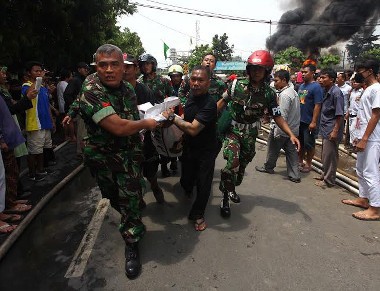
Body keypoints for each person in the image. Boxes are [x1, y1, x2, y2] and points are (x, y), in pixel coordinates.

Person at [74, 44, 157, 278]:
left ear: (125, 68)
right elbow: (118, 127)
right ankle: (129, 210)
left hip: (128, 155)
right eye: (103, 65)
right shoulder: (91, 90)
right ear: (96, 67)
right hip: (102, 156)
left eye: (114, 65)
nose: (109, 70)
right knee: (111, 196)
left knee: (129, 198)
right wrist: (147, 124)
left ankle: (132, 241)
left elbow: (130, 120)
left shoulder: (129, 90)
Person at [217, 50, 300, 218]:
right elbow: (221, 102)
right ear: (248, 69)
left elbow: (277, 116)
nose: (256, 72)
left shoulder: (269, 94)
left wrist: (291, 134)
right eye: (253, 68)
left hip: (250, 133)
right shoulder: (235, 85)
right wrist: (207, 120)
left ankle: (232, 187)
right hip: (233, 131)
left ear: (266, 71)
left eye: (260, 69)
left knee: (242, 166)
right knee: (231, 163)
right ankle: (225, 196)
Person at [162, 65, 217, 231]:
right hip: (189, 147)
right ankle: (187, 189)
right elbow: (188, 117)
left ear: (208, 83)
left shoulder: (210, 103)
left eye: (200, 80)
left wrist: (172, 117)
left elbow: (193, 129)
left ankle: (198, 213)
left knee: (203, 183)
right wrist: (177, 124)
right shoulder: (192, 97)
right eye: (193, 79)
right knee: (186, 178)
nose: (196, 83)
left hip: (206, 150)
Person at [123, 53, 165, 204]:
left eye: (128, 67)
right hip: (126, 138)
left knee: (151, 169)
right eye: (122, 66)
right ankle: (138, 197)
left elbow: (154, 112)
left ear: (135, 69)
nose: (125, 70)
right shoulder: (114, 90)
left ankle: (154, 186)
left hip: (146, 137)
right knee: (133, 174)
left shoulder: (145, 90)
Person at [341, 58, 380, 221]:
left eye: (361, 70)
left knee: (371, 172)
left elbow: (376, 115)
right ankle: (363, 199)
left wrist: (364, 138)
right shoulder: (368, 89)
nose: (358, 74)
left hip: (372, 138)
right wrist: (358, 137)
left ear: (370, 71)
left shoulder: (377, 89)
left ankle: (376, 208)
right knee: (361, 169)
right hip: (363, 137)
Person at [255, 69, 301, 183]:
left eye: (276, 80)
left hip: (282, 130)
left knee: (272, 149)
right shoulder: (293, 92)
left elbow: (282, 116)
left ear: (284, 80)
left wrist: (277, 130)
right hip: (292, 129)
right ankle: (294, 174)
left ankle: (268, 167)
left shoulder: (284, 95)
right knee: (292, 153)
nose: (274, 83)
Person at [179, 53, 227, 155]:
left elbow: (224, 100)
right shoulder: (190, 78)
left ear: (215, 65)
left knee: (209, 147)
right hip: (191, 116)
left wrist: (216, 113)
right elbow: (181, 92)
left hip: (210, 118)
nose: (208, 62)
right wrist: (186, 107)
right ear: (202, 61)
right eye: (206, 60)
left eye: (211, 61)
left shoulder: (220, 82)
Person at [138, 53, 174, 177]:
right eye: (143, 64)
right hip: (146, 118)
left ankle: (164, 166)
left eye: (148, 64)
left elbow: (171, 97)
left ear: (153, 64)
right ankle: (150, 171)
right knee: (148, 146)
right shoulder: (138, 82)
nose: (145, 67)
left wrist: (169, 111)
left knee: (164, 142)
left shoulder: (163, 81)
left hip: (162, 117)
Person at [22, 61, 55, 181]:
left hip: (45, 122)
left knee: (42, 150)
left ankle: (41, 170)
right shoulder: (26, 85)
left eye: (40, 71)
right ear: (29, 73)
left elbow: (47, 105)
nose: (39, 73)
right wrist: (38, 80)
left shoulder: (42, 87)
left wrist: (52, 121)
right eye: (36, 71)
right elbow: (29, 94)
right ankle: (32, 173)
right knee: (34, 151)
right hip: (35, 123)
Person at [315, 68, 344, 188]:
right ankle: (324, 174)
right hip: (326, 127)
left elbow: (340, 114)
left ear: (331, 79)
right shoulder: (325, 90)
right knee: (325, 154)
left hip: (332, 129)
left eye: (323, 78)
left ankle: (329, 180)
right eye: (320, 77)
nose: (320, 80)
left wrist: (335, 130)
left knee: (330, 155)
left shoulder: (336, 93)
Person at [297, 64, 323, 173]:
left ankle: (309, 164)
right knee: (301, 143)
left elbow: (318, 105)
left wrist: (313, 121)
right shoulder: (301, 86)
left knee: (309, 144)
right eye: (302, 72)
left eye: (305, 72)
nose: (303, 74)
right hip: (300, 121)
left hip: (309, 122)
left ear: (312, 73)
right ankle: (299, 161)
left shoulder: (316, 87)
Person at [64, 61, 89, 155]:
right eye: (84, 68)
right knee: (81, 132)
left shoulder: (85, 79)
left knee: (85, 132)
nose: (86, 70)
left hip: (87, 110)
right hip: (80, 110)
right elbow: (67, 95)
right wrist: (75, 108)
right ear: (79, 69)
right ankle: (81, 152)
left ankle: (84, 151)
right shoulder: (75, 80)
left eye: (87, 68)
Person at [167, 64, 184, 173]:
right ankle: (172, 160)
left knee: (182, 139)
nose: (175, 78)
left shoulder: (186, 85)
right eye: (173, 76)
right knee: (171, 139)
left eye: (177, 76)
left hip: (183, 116)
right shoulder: (167, 86)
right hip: (170, 116)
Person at [346, 75, 364, 148]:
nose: (354, 84)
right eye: (354, 82)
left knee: (353, 129)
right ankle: (351, 144)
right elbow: (350, 103)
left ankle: (353, 145)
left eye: (357, 82)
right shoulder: (352, 91)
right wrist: (348, 112)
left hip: (357, 115)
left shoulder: (362, 92)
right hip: (351, 113)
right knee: (350, 130)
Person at [56, 68, 72, 140]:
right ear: (67, 76)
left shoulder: (59, 83)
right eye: (71, 76)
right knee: (68, 121)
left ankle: (66, 136)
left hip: (61, 105)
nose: (71, 77)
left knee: (64, 121)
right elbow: (67, 95)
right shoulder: (65, 84)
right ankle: (69, 136)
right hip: (65, 105)